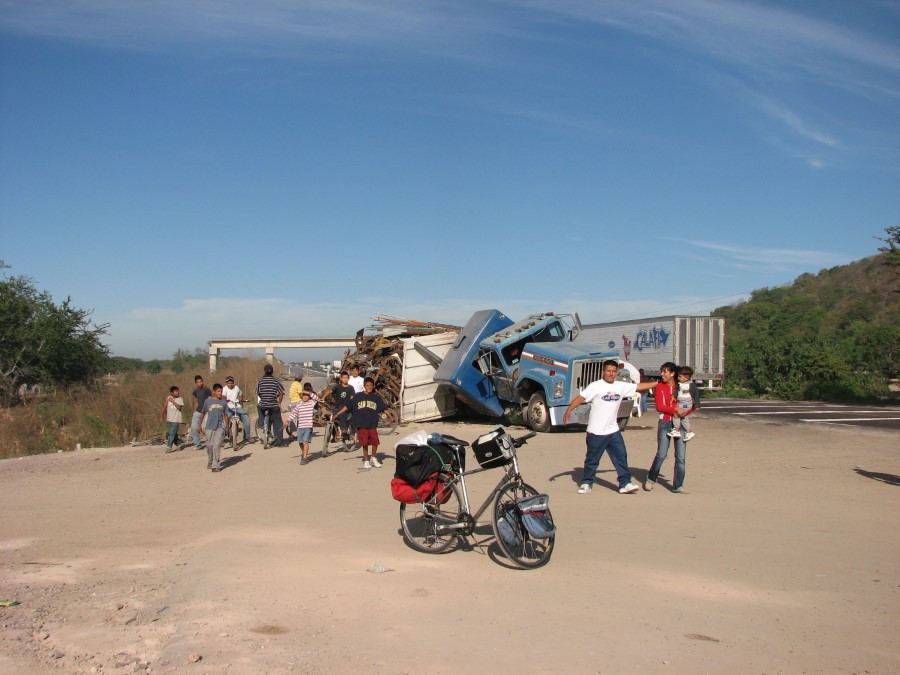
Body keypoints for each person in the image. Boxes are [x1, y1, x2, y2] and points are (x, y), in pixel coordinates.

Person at [562, 359, 656, 494]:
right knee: (592, 460)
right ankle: (586, 483)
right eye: (608, 371)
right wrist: (569, 410)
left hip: (613, 430)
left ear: (616, 373)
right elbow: (581, 398)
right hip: (596, 431)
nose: (611, 374)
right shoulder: (596, 386)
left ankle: (625, 483)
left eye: (613, 371)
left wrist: (658, 383)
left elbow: (639, 387)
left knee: (621, 456)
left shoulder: (620, 386)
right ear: (603, 372)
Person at [645, 362, 688, 493]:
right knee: (662, 454)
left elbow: (688, 403)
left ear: (673, 373)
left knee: (680, 456)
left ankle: (678, 485)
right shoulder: (660, 387)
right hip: (664, 423)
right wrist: (675, 408)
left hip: (680, 423)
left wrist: (685, 411)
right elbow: (659, 406)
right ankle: (651, 479)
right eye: (662, 371)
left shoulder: (681, 387)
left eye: (665, 372)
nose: (662, 374)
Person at [332, 376, 388, 469]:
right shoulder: (358, 396)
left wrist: (391, 417)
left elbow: (384, 408)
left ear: (373, 386)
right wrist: (338, 413)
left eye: (371, 385)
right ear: (364, 386)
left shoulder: (376, 397)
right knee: (365, 443)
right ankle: (366, 460)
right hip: (361, 424)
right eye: (367, 385)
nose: (369, 387)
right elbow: (347, 406)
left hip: (372, 424)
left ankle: (373, 458)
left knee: (375, 442)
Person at [199, 383, 232, 472]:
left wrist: (228, 427)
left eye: (221, 391)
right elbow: (203, 413)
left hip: (219, 427)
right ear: (214, 392)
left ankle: (215, 465)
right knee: (209, 446)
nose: (220, 393)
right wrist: (200, 426)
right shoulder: (208, 401)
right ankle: (210, 462)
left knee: (216, 446)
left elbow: (226, 415)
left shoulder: (223, 403)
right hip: (209, 427)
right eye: (218, 391)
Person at [667, 366, 700, 441]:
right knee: (683, 417)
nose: (678, 378)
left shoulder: (691, 385)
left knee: (676, 414)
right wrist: (673, 396)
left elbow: (696, 395)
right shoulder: (679, 384)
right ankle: (688, 431)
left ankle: (676, 430)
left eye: (680, 376)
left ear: (687, 378)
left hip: (686, 404)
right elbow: (676, 391)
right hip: (680, 402)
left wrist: (697, 405)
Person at [256, 363, 285, 446]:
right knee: (278, 422)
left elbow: (258, 392)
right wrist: (279, 403)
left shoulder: (260, 381)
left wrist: (264, 398)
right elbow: (281, 393)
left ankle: (261, 423)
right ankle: (279, 442)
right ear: (272, 371)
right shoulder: (276, 381)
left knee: (259, 408)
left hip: (263, 405)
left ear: (264, 372)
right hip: (273, 405)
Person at [288, 389, 317, 464]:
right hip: (300, 426)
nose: (305, 397)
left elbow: (317, 398)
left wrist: (309, 393)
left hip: (308, 426)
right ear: (301, 396)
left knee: (305, 441)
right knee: (300, 442)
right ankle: (304, 452)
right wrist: (287, 420)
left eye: (306, 395)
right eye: (303, 395)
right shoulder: (299, 404)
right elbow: (294, 413)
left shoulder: (311, 403)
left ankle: (305, 458)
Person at [222, 375, 253, 445]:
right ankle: (222, 438)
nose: (230, 384)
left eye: (231, 382)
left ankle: (247, 436)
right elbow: (223, 396)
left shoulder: (236, 388)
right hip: (228, 407)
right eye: (228, 383)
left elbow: (241, 394)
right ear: (226, 383)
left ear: (233, 382)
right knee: (224, 421)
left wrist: (241, 400)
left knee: (246, 418)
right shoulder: (224, 389)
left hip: (237, 407)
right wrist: (225, 400)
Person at [331, 371, 355, 442]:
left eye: (346, 378)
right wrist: (323, 397)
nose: (345, 379)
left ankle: (344, 432)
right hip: (338, 407)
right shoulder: (338, 387)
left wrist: (351, 401)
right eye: (343, 378)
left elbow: (352, 397)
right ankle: (334, 435)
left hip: (346, 408)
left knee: (342, 415)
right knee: (332, 418)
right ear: (341, 378)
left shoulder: (351, 388)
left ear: (348, 378)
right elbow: (330, 391)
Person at [190, 375, 212, 450]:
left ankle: (211, 441)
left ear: (202, 381)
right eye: (198, 382)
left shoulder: (207, 389)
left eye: (200, 381)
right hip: (198, 411)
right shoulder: (196, 391)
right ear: (195, 383)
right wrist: (195, 409)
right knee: (194, 427)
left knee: (204, 428)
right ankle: (197, 444)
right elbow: (197, 400)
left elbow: (209, 399)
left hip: (205, 411)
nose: (199, 383)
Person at [162, 386, 184, 453]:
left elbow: (179, 407)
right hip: (169, 419)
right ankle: (179, 444)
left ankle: (169, 447)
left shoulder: (180, 399)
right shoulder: (168, 398)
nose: (177, 392)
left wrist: (173, 401)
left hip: (176, 419)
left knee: (171, 434)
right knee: (172, 434)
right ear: (172, 392)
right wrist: (162, 415)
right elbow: (165, 406)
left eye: (178, 391)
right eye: (176, 391)